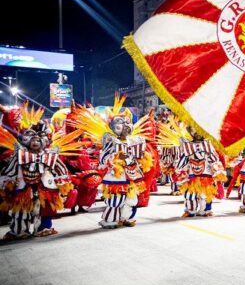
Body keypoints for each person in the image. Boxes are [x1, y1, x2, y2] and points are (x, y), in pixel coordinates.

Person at [72, 96, 153, 229]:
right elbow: (103, 160)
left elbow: (141, 158)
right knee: (115, 201)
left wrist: (141, 158)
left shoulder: (135, 141)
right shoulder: (110, 141)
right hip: (116, 177)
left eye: (127, 122)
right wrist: (116, 158)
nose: (125, 125)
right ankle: (110, 220)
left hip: (132, 176)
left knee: (131, 200)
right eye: (121, 123)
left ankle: (125, 218)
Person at [0, 103, 76, 239]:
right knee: (20, 211)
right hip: (23, 187)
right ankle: (19, 231)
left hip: (45, 187)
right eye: (31, 136)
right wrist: (6, 183)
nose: (35, 140)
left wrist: (64, 183)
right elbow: (10, 170)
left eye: (39, 137)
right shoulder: (19, 154)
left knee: (44, 210)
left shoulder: (50, 155)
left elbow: (60, 169)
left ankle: (43, 228)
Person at [176, 129, 227, 217]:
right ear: (191, 132)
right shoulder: (188, 146)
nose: (198, 134)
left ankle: (206, 210)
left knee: (205, 195)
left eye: (199, 131)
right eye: (195, 131)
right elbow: (183, 160)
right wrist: (180, 169)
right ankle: (191, 210)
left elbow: (214, 159)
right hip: (192, 175)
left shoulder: (208, 145)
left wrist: (218, 170)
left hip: (206, 174)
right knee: (189, 195)